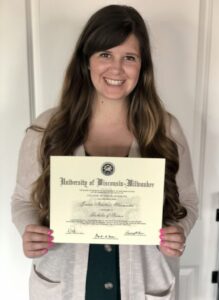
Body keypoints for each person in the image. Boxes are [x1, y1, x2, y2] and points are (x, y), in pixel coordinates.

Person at [11, 4, 198, 300]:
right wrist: (30, 229)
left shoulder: (164, 129)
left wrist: (178, 231)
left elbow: (188, 201)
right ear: (86, 61)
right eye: (105, 54)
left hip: (145, 285)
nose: (116, 69)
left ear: (142, 66)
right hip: (63, 284)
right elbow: (22, 200)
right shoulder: (48, 128)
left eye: (129, 58)